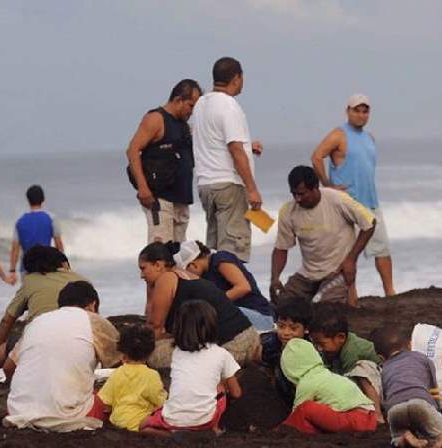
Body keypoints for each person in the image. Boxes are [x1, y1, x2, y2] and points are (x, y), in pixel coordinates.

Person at [3, 281, 121, 432]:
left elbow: (8, 368)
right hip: (69, 417)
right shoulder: (94, 320)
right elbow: (124, 362)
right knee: (103, 400)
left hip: (17, 413)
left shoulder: (37, 322)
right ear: (93, 304)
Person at [311, 94, 395, 297]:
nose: (361, 114)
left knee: (382, 249)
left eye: (365, 111)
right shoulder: (339, 135)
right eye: (356, 110)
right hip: (347, 204)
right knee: (347, 253)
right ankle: (351, 296)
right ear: (348, 111)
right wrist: (328, 186)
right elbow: (316, 157)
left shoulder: (370, 138)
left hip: (370, 202)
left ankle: (390, 292)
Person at [138, 242, 261, 369]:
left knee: (154, 355)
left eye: (143, 268)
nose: (141, 275)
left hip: (230, 349)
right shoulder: (184, 275)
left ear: (158, 265)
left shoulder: (166, 279)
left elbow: (155, 325)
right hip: (250, 340)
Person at [270, 166, 376, 308]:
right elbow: (281, 248)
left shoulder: (338, 200)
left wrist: (351, 259)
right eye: (294, 194)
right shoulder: (288, 211)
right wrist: (275, 278)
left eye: (302, 194)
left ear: (315, 187)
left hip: (337, 271)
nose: (297, 199)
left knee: (323, 310)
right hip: (307, 274)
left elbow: (369, 222)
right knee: (282, 306)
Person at [191, 56, 263, 262]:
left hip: (206, 184)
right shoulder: (229, 105)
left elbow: (215, 140)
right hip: (228, 185)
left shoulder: (201, 104)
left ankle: (216, 292)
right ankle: (233, 292)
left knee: (213, 251)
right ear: (237, 78)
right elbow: (234, 149)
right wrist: (251, 188)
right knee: (232, 252)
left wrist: (249, 146)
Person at [0, 245, 88, 369]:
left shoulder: (31, 280)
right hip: (79, 342)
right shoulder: (82, 280)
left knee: (9, 345)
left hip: (39, 341)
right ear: (64, 263)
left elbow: (7, 320)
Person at [142, 301, 242, 436]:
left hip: (172, 420)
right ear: (212, 326)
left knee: (143, 425)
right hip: (205, 420)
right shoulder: (222, 354)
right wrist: (222, 385)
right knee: (220, 391)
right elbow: (236, 393)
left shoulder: (177, 353)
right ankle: (214, 429)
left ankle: (171, 434)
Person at [126, 79, 202, 244]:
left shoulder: (183, 125)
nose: (192, 111)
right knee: (160, 253)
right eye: (190, 105)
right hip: (161, 199)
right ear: (178, 100)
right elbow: (133, 150)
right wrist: (143, 188)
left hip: (181, 198)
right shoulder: (156, 119)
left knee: (179, 254)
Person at [371, 326, 442, 448]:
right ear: (410, 345)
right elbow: (433, 389)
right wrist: (435, 410)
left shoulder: (384, 368)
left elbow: (385, 396)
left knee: (396, 437)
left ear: (381, 358)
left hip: (395, 409)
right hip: (420, 403)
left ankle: (404, 438)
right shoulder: (422, 358)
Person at [279, 338, 377, 434]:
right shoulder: (327, 374)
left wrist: (285, 427)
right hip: (370, 418)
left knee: (305, 408)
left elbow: (298, 411)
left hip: (353, 420)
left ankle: (285, 432)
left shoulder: (307, 382)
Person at [173, 240, 274, 331]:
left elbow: (243, 288)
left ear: (193, 265)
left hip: (260, 317)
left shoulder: (220, 259)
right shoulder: (205, 275)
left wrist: (217, 304)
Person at [309, 303, 384, 423]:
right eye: (315, 344)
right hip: (352, 381)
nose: (319, 348)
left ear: (340, 337)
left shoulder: (352, 350)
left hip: (378, 385)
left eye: (321, 344)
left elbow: (346, 381)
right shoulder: (332, 350)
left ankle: (377, 414)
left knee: (362, 369)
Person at [97, 325, 167, 432]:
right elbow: (160, 401)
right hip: (139, 422)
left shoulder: (117, 373)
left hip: (117, 421)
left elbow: (105, 401)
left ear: (123, 352)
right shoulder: (151, 375)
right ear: (150, 352)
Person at [259, 299, 312, 407]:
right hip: (280, 394)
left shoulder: (311, 351)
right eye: (281, 326)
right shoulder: (271, 343)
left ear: (306, 329)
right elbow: (268, 368)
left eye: (293, 328)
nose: (286, 333)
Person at [9, 185, 63, 278]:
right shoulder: (51, 218)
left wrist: (12, 270)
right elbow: (59, 245)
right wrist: (61, 265)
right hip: (46, 267)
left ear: (28, 200)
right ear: (43, 199)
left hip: (26, 268)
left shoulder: (20, 221)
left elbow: (15, 249)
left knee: (29, 292)